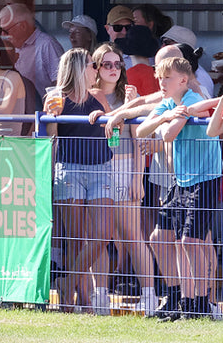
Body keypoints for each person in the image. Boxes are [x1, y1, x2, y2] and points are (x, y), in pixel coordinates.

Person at [140, 57, 222, 319]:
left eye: (166, 78)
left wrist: (182, 113)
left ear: (183, 80)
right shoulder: (168, 104)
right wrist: (165, 115)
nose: (161, 83)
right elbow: (142, 130)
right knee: (179, 242)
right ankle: (185, 301)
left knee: (191, 241)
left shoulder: (190, 98)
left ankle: (199, 302)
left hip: (205, 178)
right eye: (159, 78)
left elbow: (167, 135)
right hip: (181, 180)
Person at [84, 42, 158, 315]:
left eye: (118, 64)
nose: (114, 69)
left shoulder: (131, 97)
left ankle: (149, 295)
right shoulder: (88, 96)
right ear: (96, 67)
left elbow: (140, 139)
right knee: (98, 235)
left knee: (131, 235)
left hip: (125, 167)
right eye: (107, 64)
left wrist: (137, 177)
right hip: (96, 169)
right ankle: (100, 294)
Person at [45, 48, 115, 314]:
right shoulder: (56, 97)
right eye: (91, 65)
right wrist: (53, 117)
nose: (96, 69)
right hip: (70, 168)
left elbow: (114, 133)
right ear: (77, 68)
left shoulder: (98, 96)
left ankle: (68, 283)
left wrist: (111, 130)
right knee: (74, 239)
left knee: (102, 235)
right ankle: (79, 302)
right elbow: (50, 135)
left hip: (101, 168)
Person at [0, 3, 63, 92]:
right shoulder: (9, 46)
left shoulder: (47, 45)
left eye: (5, 31)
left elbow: (61, 83)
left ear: (23, 26)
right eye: (0, 30)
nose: (2, 35)